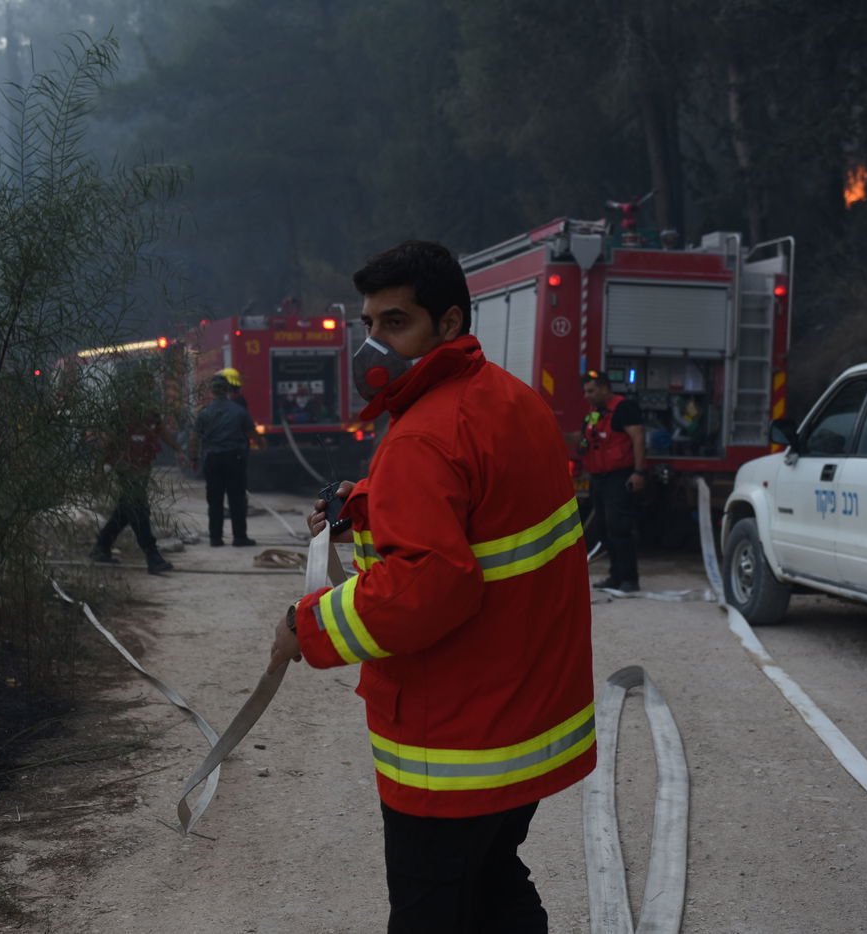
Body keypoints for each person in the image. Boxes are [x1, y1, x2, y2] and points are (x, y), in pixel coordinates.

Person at [267, 240, 596, 933]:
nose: (373, 345)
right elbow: (480, 511)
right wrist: (364, 502)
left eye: (395, 324)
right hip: (520, 726)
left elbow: (430, 587)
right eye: (368, 324)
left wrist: (311, 626)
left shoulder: (423, 436)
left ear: (448, 325)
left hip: (454, 747)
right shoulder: (513, 403)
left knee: (434, 914)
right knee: (495, 886)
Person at [90, 370, 189, 574]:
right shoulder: (123, 412)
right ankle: (152, 555)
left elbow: (163, 433)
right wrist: (98, 469)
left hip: (141, 468)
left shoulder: (151, 413)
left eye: (150, 386)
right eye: (145, 386)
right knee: (138, 509)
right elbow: (106, 442)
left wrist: (180, 451)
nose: (148, 390)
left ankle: (101, 546)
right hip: (126, 468)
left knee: (126, 510)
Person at [580, 370, 648, 592]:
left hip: (619, 476)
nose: (586, 396)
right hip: (599, 478)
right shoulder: (595, 413)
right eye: (585, 391)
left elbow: (638, 436)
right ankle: (615, 576)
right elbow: (581, 439)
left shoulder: (624, 408)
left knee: (619, 528)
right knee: (603, 528)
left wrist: (639, 472)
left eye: (591, 391)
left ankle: (630, 579)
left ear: (604, 387)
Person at [192, 374, 257, 547]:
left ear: (212, 391)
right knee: (237, 499)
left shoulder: (204, 412)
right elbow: (252, 433)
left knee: (214, 500)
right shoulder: (239, 411)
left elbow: (194, 438)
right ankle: (239, 537)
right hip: (234, 460)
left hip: (212, 460)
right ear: (228, 390)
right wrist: (261, 444)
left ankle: (215, 538)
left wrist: (193, 458)